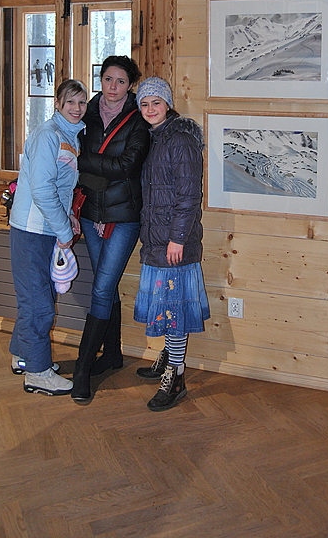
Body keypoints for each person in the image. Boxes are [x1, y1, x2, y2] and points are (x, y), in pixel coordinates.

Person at [71, 56, 150, 404]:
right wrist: (94, 170)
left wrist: (84, 163)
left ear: (130, 85)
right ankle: (113, 354)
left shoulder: (138, 118)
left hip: (124, 216)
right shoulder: (85, 113)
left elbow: (127, 166)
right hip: (91, 213)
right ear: (100, 80)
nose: (113, 86)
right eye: (107, 79)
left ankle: (82, 370)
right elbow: (70, 156)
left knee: (101, 288)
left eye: (120, 81)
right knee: (108, 284)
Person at [133, 77, 210, 412]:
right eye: (144, 104)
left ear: (168, 104)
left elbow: (189, 195)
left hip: (173, 243)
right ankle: (168, 357)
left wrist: (177, 238)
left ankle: (176, 377)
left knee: (173, 310)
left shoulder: (179, 139)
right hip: (156, 240)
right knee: (167, 304)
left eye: (156, 102)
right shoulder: (153, 138)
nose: (150, 109)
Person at [8, 79, 87, 395]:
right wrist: (64, 231)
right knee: (38, 303)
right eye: (71, 101)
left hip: (44, 229)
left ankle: (23, 356)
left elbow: (58, 188)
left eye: (82, 102)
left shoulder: (69, 137)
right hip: (32, 230)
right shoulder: (48, 135)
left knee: (36, 297)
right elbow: (41, 190)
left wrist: (68, 217)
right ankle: (37, 373)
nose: (77, 108)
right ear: (58, 103)